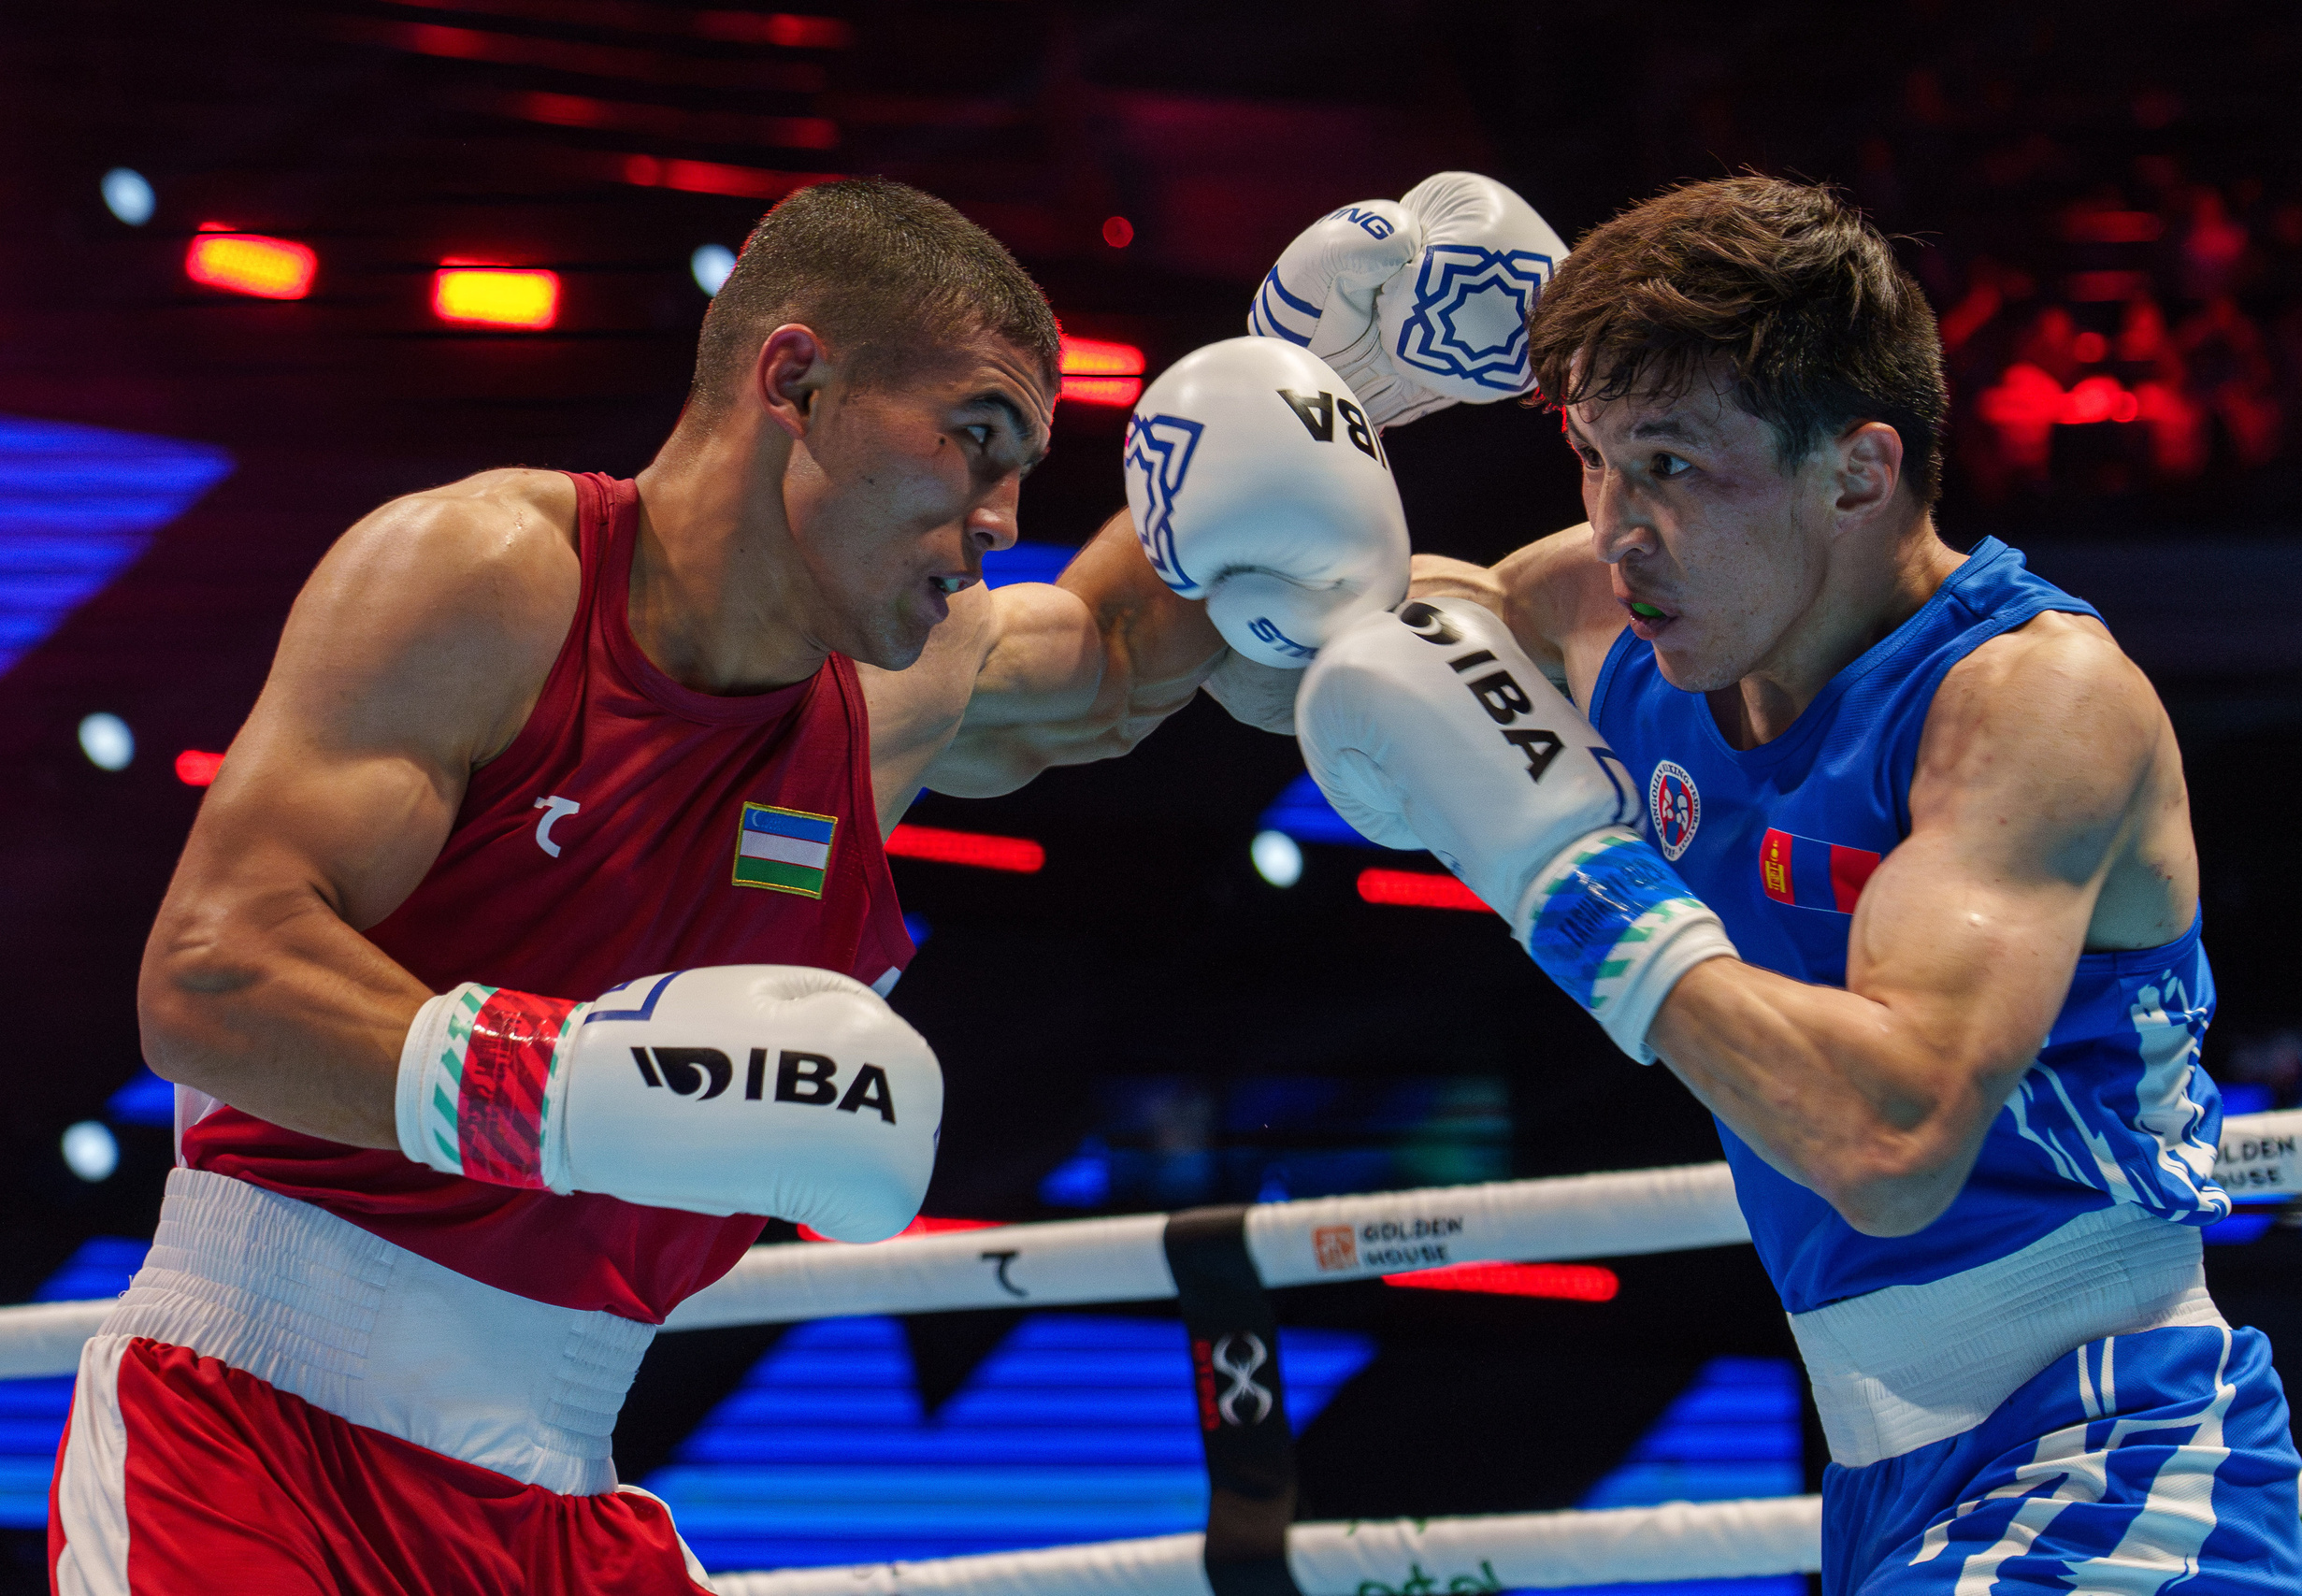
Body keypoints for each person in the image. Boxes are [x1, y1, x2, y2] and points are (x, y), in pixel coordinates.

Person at [51, 178, 1414, 1595]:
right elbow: (211, 978)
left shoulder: (891, 692)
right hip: (253, 1440)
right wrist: (573, 1087)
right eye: (975, 439)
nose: (1004, 518)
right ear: (798, 382)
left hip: (557, 1484)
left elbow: (1119, 657)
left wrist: (1316, 381)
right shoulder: (495, 576)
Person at [1279, 176, 2302, 1592]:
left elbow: (1895, 1142)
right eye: (1592, 458)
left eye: (1672, 465)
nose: (1617, 525)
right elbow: (1307, 654)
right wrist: (1303, 409)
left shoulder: (2030, 699)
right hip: (1889, 1478)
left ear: (1859, 473)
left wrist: (1572, 881)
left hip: (2106, 1458)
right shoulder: (1621, 620)